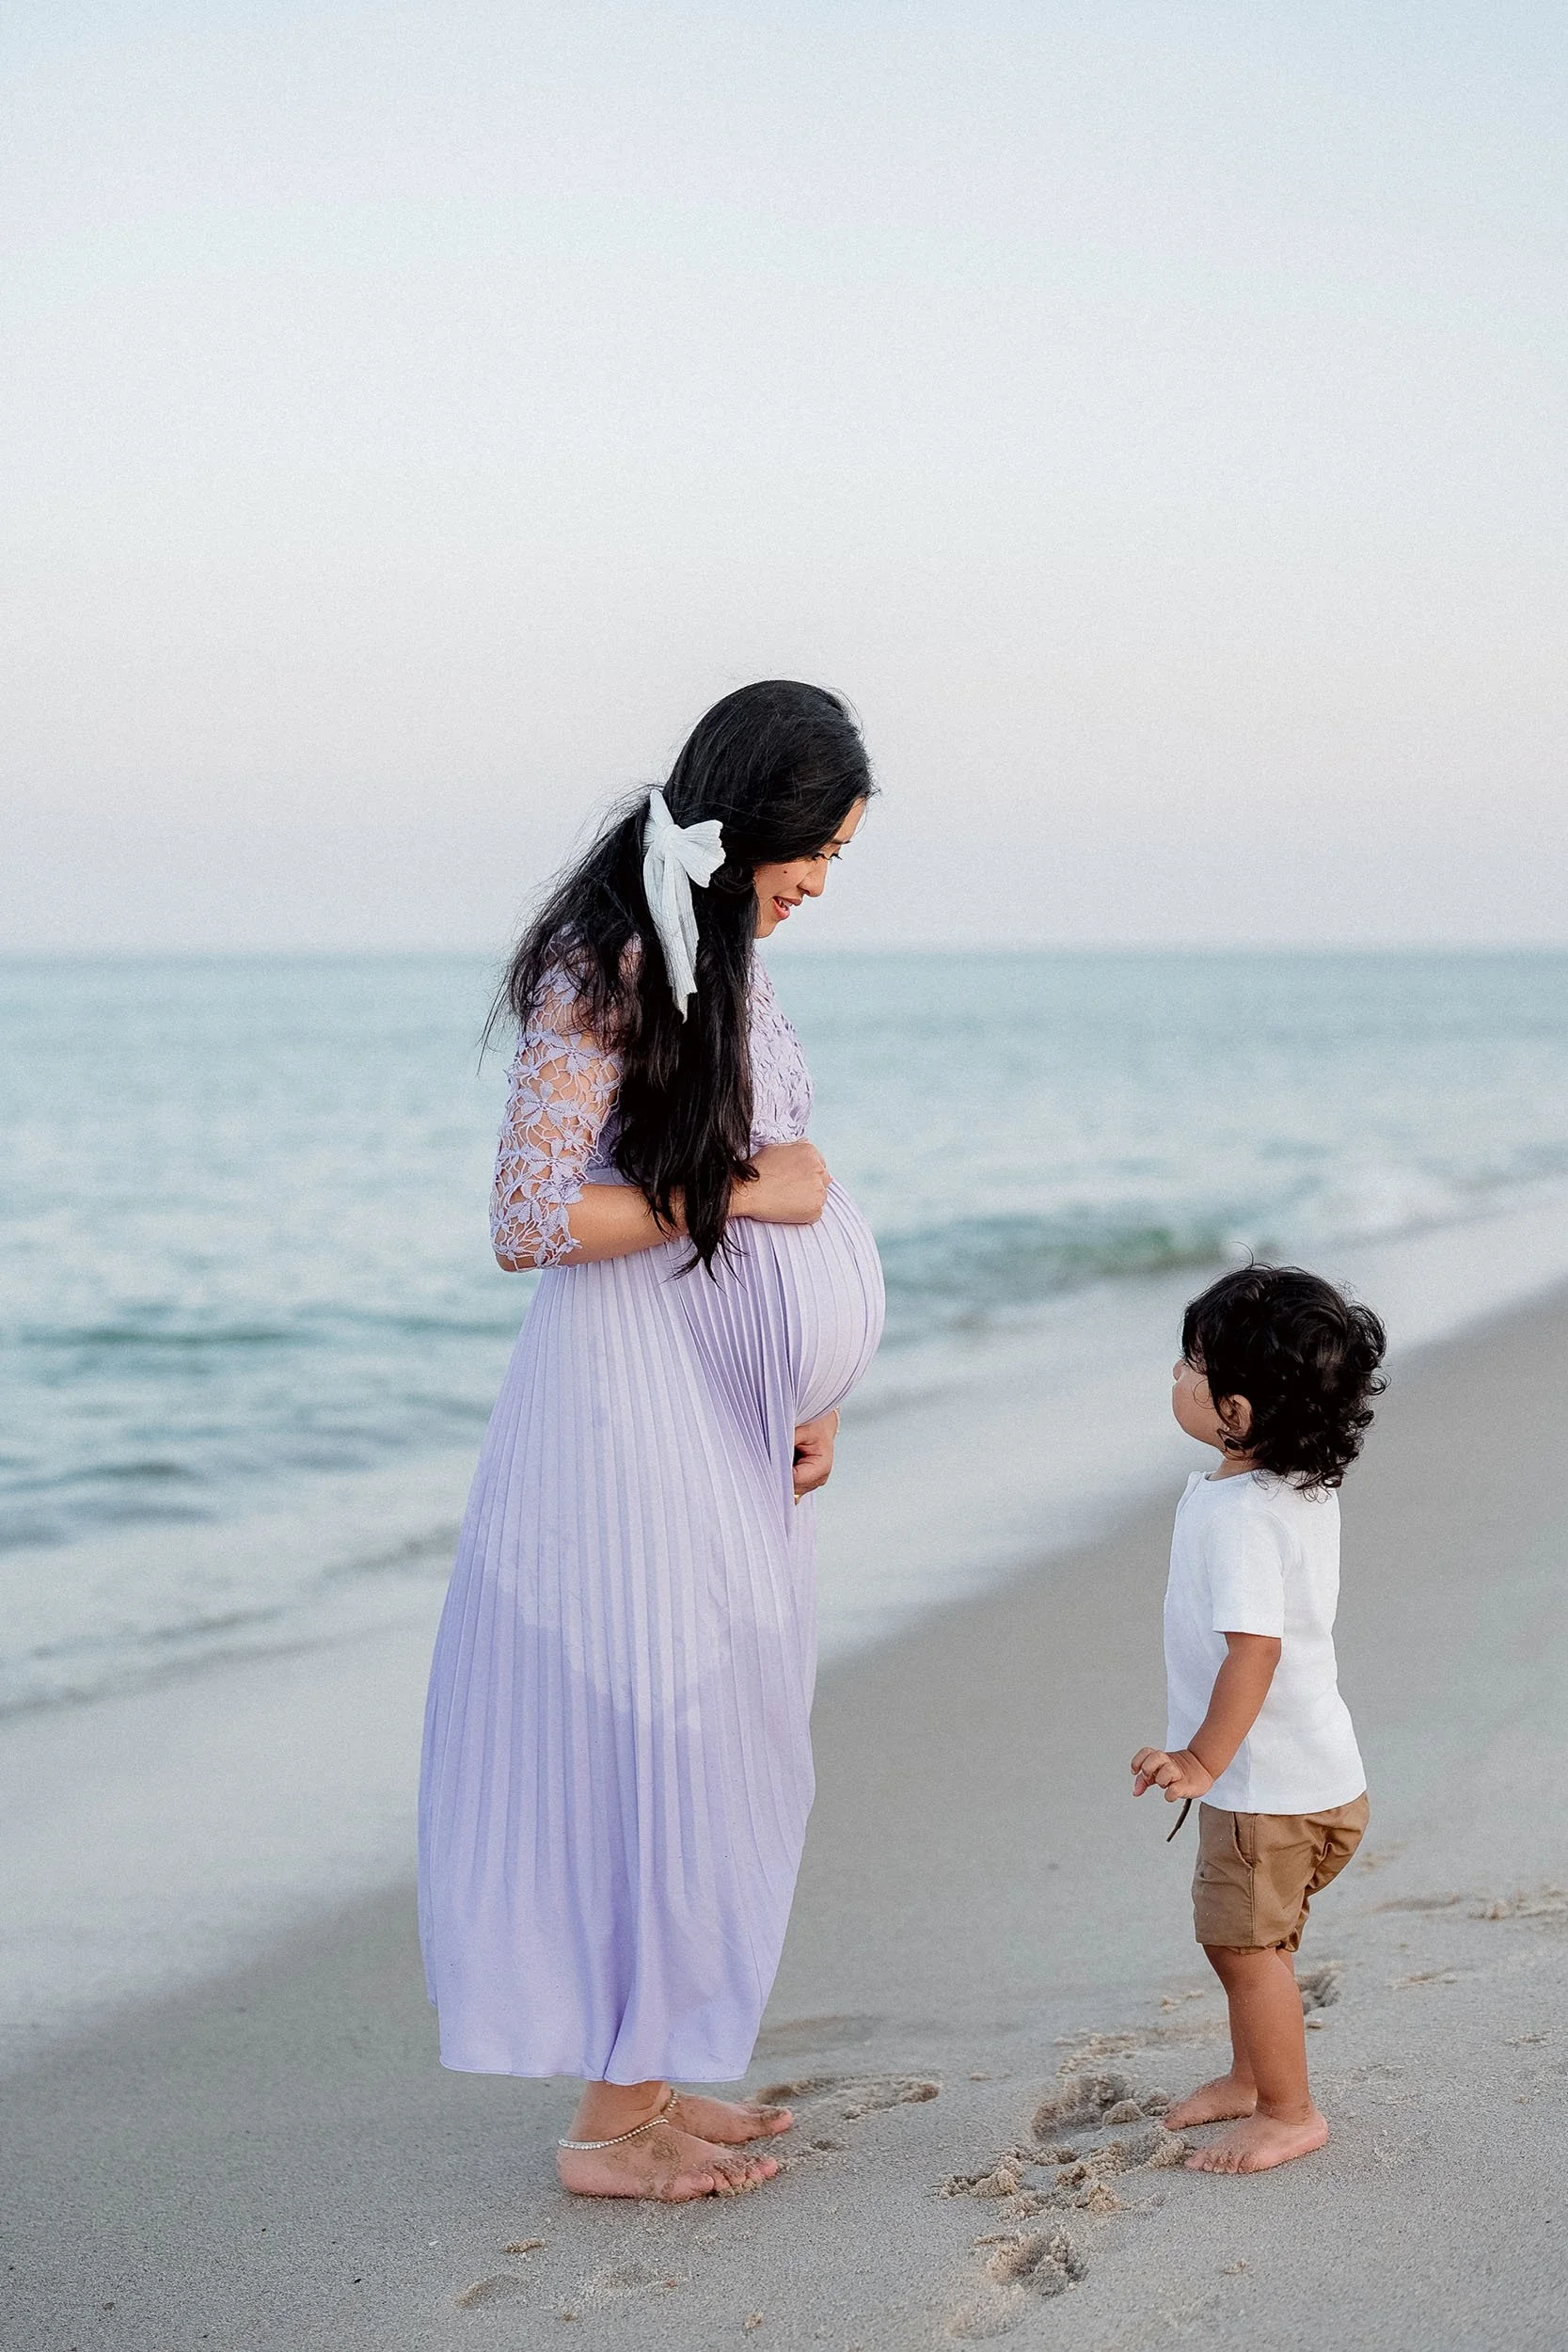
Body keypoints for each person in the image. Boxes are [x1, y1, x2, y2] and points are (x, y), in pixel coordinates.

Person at [418, 681, 885, 2201]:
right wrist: (755, 1194)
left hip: (719, 1408)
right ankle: (608, 2127)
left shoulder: (722, 959)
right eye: (814, 848)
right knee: (662, 1736)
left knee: (726, 1730)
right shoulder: (607, 961)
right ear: (749, 822)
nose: (821, 878)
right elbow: (530, 1219)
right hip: (622, 1416)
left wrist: (806, 1390)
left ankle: (653, 2082)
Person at [1131, 1263, 1386, 2175]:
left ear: (1233, 1413)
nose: (1173, 1376)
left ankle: (1287, 2108)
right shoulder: (1300, 1491)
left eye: (1189, 1365)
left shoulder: (1238, 1516)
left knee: (1241, 1943)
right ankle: (1249, 2072)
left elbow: (1254, 1651)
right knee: (1259, 1938)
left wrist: (1198, 1761)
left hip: (1262, 1791)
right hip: (1320, 1777)